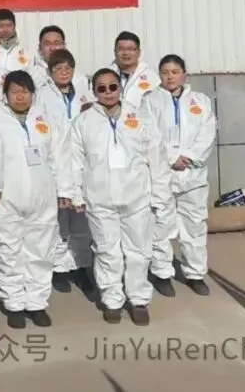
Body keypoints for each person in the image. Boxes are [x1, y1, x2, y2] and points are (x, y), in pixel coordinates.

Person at [68, 69, 171, 326]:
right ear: (94, 91)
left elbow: (157, 158)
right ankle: (112, 299)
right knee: (106, 251)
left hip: (137, 197)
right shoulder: (83, 122)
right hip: (99, 199)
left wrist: (159, 195)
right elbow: (74, 161)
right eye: (101, 88)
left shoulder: (140, 117)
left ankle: (138, 300)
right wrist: (76, 195)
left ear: (120, 88)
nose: (108, 92)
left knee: (139, 251)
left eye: (112, 86)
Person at [0, 71, 70, 329]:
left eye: (25, 91)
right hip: (7, 197)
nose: (20, 96)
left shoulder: (44, 119)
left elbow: (59, 157)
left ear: (33, 94)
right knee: (8, 252)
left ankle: (36, 303)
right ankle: (14, 304)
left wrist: (65, 190)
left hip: (42, 197)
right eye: (14, 91)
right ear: (5, 95)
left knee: (41, 251)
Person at [144, 55, 217, 297]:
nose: (170, 76)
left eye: (175, 71)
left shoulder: (200, 101)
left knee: (194, 226)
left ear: (184, 74)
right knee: (161, 225)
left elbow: (208, 132)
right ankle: (162, 273)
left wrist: (189, 156)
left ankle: (195, 274)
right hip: (162, 174)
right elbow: (148, 135)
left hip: (192, 174)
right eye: (165, 72)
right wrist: (171, 157)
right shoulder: (150, 100)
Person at [34, 48, 95, 294]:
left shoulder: (84, 93)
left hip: (81, 162)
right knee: (58, 218)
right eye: (58, 69)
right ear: (50, 72)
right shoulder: (42, 95)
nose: (63, 73)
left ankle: (81, 265)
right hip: (56, 162)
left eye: (67, 68)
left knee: (81, 217)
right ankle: (59, 267)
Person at [110, 31, 156, 110]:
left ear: (139, 52)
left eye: (130, 49)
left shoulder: (151, 76)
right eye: (121, 49)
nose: (125, 53)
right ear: (115, 52)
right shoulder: (104, 75)